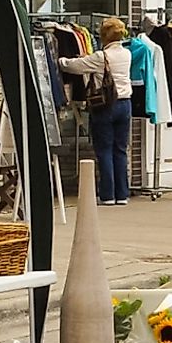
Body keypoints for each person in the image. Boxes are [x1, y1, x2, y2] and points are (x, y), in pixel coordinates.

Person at [58, 18, 137, 205]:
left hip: (105, 105)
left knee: (104, 150)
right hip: (125, 104)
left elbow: (74, 66)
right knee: (120, 150)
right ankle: (122, 194)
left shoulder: (101, 57)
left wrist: (60, 59)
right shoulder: (127, 54)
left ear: (104, 36)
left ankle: (107, 194)